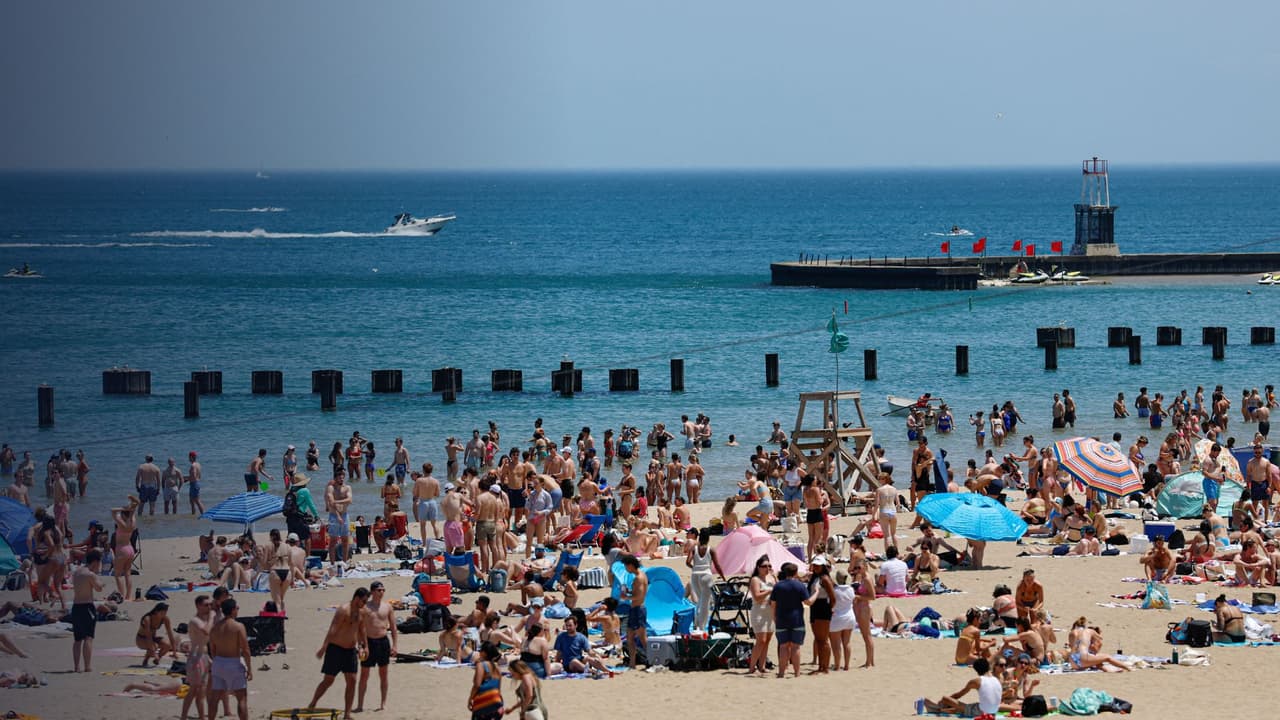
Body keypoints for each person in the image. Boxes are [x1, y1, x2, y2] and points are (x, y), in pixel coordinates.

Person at [308, 587, 369, 720]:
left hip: (351, 651)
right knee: (328, 681)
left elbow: (362, 629)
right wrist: (324, 648)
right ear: (357, 598)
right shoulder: (343, 610)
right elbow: (333, 628)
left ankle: (347, 714)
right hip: (335, 649)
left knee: (352, 681)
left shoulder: (362, 611)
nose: (365, 603)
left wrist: (364, 646)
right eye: (364, 601)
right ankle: (312, 704)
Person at [208, 597, 251, 720]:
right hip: (233, 662)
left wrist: (216, 662)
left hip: (218, 662)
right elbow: (246, 650)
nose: (238, 610)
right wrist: (249, 668)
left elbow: (212, 649)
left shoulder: (215, 627)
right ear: (232, 610)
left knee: (214, 697)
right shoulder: (238, 626)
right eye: (237, 608)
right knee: (241, 698)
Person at [357, 581, 397, 713]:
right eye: (379, 590)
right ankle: (360, 704)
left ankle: (383, 703)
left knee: (383, 674)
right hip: (368, 642)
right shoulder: (365, 608)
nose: (382, 593)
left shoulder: (387, 607)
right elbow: (359, 628)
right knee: (364, 674)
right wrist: (361, 646)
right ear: (372, 592)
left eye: (383, 590)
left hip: (383, 642)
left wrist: (395, 645)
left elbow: (393, 627)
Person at [922, 657, 1002, 717]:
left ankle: (938, 707)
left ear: (977, 671)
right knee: (962, 708)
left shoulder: (977, 681)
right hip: (994, 711)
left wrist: (945, 701)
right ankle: (941, 708)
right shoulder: (997, 680)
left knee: (945, 698)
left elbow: (959, 695)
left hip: (981, 712)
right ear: (988, 667)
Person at [770, 561, 808, 678]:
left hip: (782, 619)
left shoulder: (778, 586)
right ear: (796, 572)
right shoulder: (800, 585)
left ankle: (781, 672)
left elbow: (773, 604)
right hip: (796, 619)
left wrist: (774, 618)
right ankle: (797, 673)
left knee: (783, 646)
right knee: (796, 647)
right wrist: (816, 592)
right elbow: (807, 602)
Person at [180, 594, 215, 720]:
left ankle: (201, 716)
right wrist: (212, 617)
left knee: (201, 690)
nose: (209, 607)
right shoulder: (195, 621)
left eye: (210, 605)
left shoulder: (206, 619)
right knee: (194, 689)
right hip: (196, 657)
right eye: (206, 605)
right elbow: (206, 631)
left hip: (204, 655)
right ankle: (184, 716)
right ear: (198, 606)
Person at [71, 548, 103, 673]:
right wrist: (100, 582)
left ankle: (76, 666)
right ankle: (87, 666)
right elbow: (98, 588)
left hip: (76, 607)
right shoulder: (90, 574)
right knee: (88, 638)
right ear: (95, 562)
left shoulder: (77, 572)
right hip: (87, 607)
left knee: (77, 639)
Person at [746, 555, 776, 675]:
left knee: (767, 640)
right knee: (761, 640)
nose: (767, 568)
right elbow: (757, 597)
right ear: (758, 567)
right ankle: (752, 666)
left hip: (770, 611)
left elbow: (778, 589)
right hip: (759, 610)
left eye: (769, 566)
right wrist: (769, 590)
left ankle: (762, 666)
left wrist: (775, 578)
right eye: (764, 566)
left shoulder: (771, 578)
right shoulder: (755, 580)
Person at [619, 554, 648, 668]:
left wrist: (626, 597)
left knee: (642, 638)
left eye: (626, 566)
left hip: (638, 609)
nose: (626, 569)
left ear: (630, 565)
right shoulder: (640, 576)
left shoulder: (639, 578)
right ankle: (632, 663)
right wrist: (629, 592)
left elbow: (639, 596)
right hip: (635, 609)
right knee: (630, 637)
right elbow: (637, 593)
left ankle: (651, 659)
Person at [687, 527, 715, 632]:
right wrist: (722, 576)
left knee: (700, 600)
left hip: (695, 575)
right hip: (706, 575)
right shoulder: (710, 549)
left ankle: (696, 622)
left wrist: (694, 568)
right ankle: (701, 627)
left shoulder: (694, 548)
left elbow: (688, 562)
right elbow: (717, 564)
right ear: (708, 538)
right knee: (705, 602)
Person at [469, 642, 504, 720]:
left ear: (484, 653)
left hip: (483, 703)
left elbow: (477, 685)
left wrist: (470, 699)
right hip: (497, 703)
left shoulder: (481, 665)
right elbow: (498, 688)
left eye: (480, 650)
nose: (479, 652)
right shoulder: (497, 667)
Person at [136, 602, 178, 667]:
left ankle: (157, 659)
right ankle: (145, 660)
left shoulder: (165, 619)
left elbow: (170, 634)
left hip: (152, 638)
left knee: (167, 645)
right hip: (141, 639)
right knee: (154, 646)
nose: (163, 615)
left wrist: (174, 652)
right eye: (161, 613)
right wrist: (154, 653)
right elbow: (148, 636)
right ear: (156, 612)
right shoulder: (147, 619)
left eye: (165, 613)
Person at [326, 468, 354, 564]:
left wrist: (337, 501)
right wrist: (338, 516)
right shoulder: (331, 488)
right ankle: (332, 563)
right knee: (333, 540)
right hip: (334, 516)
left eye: (343, 478)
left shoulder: (347, 488)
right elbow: (330, 503)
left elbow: (349, 500)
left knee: (345, 540)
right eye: (340, 478)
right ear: (335, 478)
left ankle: (344, 562)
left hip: (345, 515)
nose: (342, 479)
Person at [413, 465, 442, 542]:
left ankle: (424, 544)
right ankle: (438, 540)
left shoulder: (419, 481)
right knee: (434, 524)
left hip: (423, 502)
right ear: (431, 471)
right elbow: (438, 494)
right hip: (432, 502)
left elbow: (415, 493)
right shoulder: (435, 481)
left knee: (422, 525)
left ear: (423, 470)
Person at [267, 529, 292, 615]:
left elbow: (266, 564)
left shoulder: (269, 546)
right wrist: (292, 579)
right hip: (287, 572)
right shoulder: (287, 546)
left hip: (275, 572)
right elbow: (291, 564)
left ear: (271, 536)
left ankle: (279, 620)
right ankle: (282, 616)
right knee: (281, 598)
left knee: (276, 600)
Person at [186, 451, 205, 516]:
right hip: (196, 483)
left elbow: (193, 476)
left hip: (194, 484)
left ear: (191, 457)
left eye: (189, 457)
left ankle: (203, 515)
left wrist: (186, 479)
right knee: (192, 501)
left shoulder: (193, 465)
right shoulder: (198, 464)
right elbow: (199, 476)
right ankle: (193, 515)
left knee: (197, 501)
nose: (188, 458)